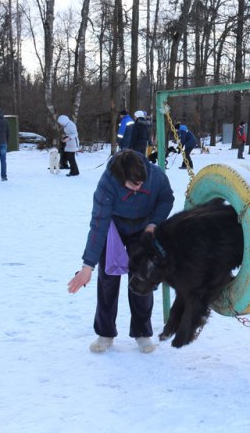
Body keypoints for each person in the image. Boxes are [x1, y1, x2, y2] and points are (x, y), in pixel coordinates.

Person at [67, 149, 175, 353]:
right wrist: (87, 266)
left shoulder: (156, 175)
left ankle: (142, 333)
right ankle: (105, 333)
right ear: (120, 178)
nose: (139, 187)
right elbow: (98, 224)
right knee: (108, 279)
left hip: (143, 229)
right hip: (113, 228)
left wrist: (154, 223)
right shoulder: (107, 184)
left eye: (142, 183)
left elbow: (166, 199)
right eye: (134, 184)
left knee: (143, 278)